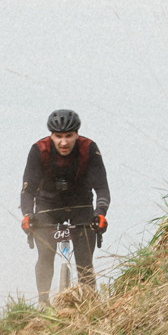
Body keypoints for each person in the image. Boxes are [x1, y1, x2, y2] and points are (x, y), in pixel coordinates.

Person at [21, 109, 110, 301]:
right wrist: (28, 215)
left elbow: (102, 188)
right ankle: (44, 303)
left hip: (81, 206)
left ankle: (90, 304)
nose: (63, 142)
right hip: (48, 207)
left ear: (77, 134)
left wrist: (100, 213)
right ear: (51, 135)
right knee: (45, 256)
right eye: (58, 136)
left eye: (69, 136)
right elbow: (27, 190)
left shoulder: (89, 149)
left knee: (85, 262)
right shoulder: (39, 150)